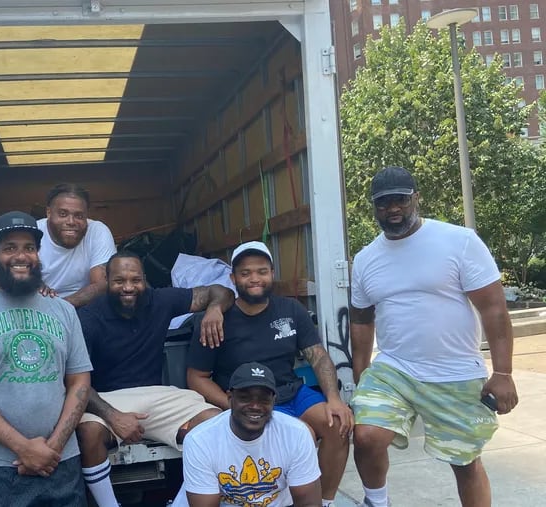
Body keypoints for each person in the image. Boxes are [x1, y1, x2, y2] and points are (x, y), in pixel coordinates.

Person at [349, 166, 519, 507]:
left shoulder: (458, 241)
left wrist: (502, 373)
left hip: (454, 372)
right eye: (383, 204)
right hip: (394, 370)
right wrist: (361, 376)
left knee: (464, 461)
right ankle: (376, 502)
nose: (393, 209)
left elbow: (494, 309)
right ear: (374, 208)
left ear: (416, 198)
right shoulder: (366, 259)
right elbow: (361, 322)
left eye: (400, 200)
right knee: (366, 435)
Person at [0, 211, 92, 507]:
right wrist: (23, 448)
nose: (21, 256)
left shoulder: (63, 311)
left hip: (61, 459)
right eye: (10, 247)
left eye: (29, 247)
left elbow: (80, 382)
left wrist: (53, 447)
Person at [186, 241, 353, 507]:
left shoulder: (291, 310)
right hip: (250, 400)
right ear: (233, 278)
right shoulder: (215, 320)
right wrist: (230, 404)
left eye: (262, 271)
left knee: (339, 425)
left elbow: (318, 356)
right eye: (246, 273)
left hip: (291, 391)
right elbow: (197, 377)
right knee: (304, 436)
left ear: (272, 273)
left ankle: (325, 501)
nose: (255, 279)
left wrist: (334, 398)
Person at [76, 251, 235, 507]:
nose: (128, 287)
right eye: (119, 281)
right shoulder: (89, 318)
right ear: (106, 280)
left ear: (144, 279)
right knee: (88, 432)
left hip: (157, 395)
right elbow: (76, 383)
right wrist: (113, 416)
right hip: (107, 399)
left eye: (135, 280)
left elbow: (221, 291)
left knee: (217, 425)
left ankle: (181, 502)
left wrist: (214, 308)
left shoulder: (160, 299)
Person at [175, 362, 322, 507]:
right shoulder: (199, 440)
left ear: (273, 401)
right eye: (245, 398)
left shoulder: (296, 434)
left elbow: (309, 503)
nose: (255, 406)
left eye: (263, 399)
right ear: (230, 398)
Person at [37, 183, 117, 307]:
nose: (71, 222)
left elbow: (102, 285)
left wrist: (61, 308)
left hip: (83, 307)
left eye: (79, 216)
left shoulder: (97, 231)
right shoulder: (32, 233)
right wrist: (32, 284)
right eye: (63, 214)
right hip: (38, 307)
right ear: (48, 212)